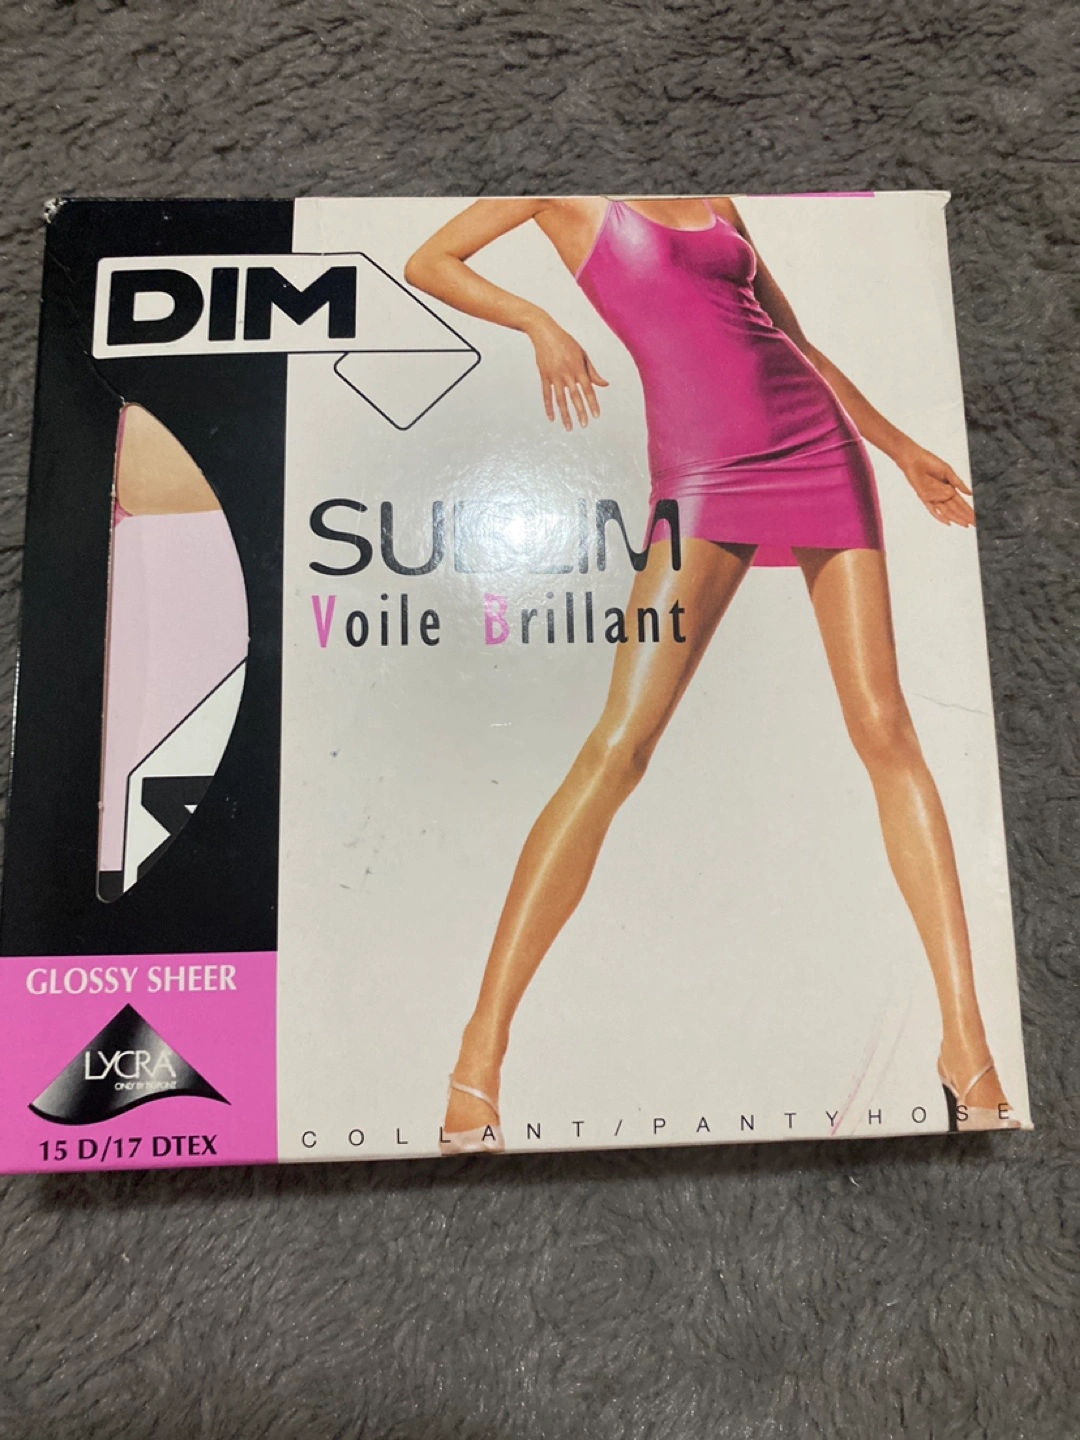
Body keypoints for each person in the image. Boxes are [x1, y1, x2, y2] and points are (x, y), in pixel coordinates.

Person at [404, 195, 1017, 1150]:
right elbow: (430, 261)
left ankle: (966, 1045)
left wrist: (899, 450)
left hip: (819, 446)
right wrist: (540, 323)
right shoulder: (563, 194)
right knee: (620, 747)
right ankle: (477, 1056)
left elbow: (795, 341)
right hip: (702, 471)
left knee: (886, 728)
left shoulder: (721, 199)